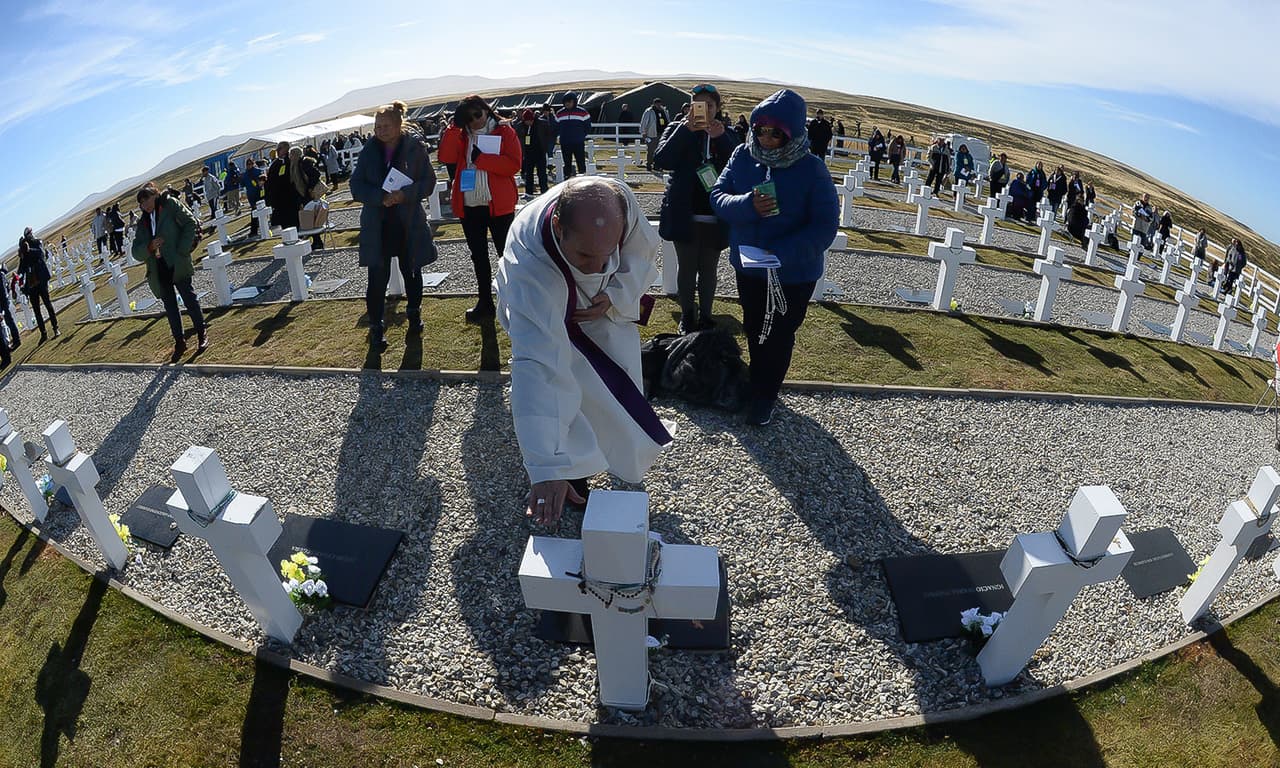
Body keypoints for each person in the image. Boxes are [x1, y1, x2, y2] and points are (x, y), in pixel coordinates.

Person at [495, 176, 671, 526]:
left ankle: (605, 452)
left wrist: (616, 294)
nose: (595, 266)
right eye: (584, 255)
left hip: (600, 310)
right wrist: (544, 464)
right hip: (544, 308)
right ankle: (569, 469)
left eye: (606, 253)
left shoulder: (620, 201)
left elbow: (641, 251)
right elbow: (536, 366)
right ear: (558, 226)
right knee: (562, 383)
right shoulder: (529, 267)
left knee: (610, 384)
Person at [711, 88, 839, 427]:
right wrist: (746, 205)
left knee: (780, 332)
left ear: (793, 133)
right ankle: (758, 383)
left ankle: (766, 396)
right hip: (750, 267)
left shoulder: (812, 170)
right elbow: (718, 195)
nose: (766, 138)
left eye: (776, 132)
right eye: (760, 129)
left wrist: (780, 254)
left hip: (793, 274)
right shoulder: (742, 155)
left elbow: (825, 226)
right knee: (754, 326)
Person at [349, 100, 438, 351]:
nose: (381, 130)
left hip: (408, 222)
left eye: (386, 125)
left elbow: (428, 181)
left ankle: (414, 313)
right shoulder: (368, 151)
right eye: (378, 126)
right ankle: (377, 327)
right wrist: (381, 197)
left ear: (399, 125)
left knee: (412, 270)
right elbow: (356, 186)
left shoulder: (414, 148)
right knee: (377, 278)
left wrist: (404, 194)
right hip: (378, 225)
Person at [654, 82, 741, 334]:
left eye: (710, 105)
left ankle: (706, 316)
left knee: (709, 267)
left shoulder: (727, 132)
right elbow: (661, 160)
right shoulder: (676, 127)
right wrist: (686, 130)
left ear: (717, 108)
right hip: (684, 210)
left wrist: (721, 138)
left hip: (715, 212)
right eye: (698, 105)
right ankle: (687, 315)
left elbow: (739, 163)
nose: (704, 110)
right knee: (687, 267)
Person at [438, 94, 522, 323]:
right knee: (479, 257)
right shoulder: (462, 135)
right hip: (470, 205)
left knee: (506, 255)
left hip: (498, 206)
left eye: (478, 114)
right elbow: (444, 156)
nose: (474, 120)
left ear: (487, 110)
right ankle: (485, 301)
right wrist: (454, 129)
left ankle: (515, 301)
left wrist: (483, 160)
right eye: (468, 117)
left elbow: (513, 165)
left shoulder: (505, 132)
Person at [132, 183, 208, 358]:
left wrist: (182, 250)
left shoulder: (170, 205)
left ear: (155, 195)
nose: (145, 206)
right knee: (171, 307)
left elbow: (190, 223)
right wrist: (149, 247)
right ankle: (180, 342)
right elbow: (136, 251)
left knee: (189, 298)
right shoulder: (143, 222)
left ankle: (201, 332)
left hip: (176, 261)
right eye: (141, 203)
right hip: (158, 269)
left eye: (147, 200)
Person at [17, 230, 58, 342]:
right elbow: (21, 266)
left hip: (40, 278)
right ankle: (43, 334)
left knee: (48, 304)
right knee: (36, 310)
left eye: (29, 234)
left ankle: (55, 328)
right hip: (31, 283)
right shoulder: (24, 249)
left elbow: (41, 253)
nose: (28, 236)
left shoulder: (37, 242)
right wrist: (18, 275)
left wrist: (29, 250)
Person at [288, 146, 325, 248]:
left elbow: (316, 174)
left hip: (308, 195)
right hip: (303, 194)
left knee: (311, 217)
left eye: (291, 154)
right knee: (309, 218)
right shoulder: (295, 165)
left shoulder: (303, 163)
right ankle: (316, 241)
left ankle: (318, 241)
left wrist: (310, 188)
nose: (290, 157)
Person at [515, 108, 552, 197]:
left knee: (542, 173)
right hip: (528, 153)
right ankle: (528, 192)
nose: (528, 123)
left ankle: (544, 190)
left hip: (540, 152)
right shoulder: (520, 126)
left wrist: (546, 148)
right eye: (526, 121)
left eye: (530, 120)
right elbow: (518, 138)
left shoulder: (542, 123)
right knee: (528, 174)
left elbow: (548, 135)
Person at [554, 93, 591, 179]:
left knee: (581, 161)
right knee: (567, 163)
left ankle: (583, 179)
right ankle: (567, 179)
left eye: (570, 101)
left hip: (578, 142)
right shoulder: (559, 113)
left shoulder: (583, 112)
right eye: (566, 102)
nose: (568, 103)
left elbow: (588, 127)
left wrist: (581, 136)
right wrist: (561, 136)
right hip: (565, 142)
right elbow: (556, 127)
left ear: (574, 101)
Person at [265, 141, 299, 232]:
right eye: (278, 149)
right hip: (279, 201)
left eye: (280, 149)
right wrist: (270, 200)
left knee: (295, 223)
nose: (278, 151)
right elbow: (270, 182)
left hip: (292, 198)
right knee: (285, 227)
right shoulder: (275, 165)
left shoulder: (292, 161)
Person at [639, 98, 670, 172]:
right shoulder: (649, 111)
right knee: (651, 150)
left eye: (659, 103)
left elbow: (668, 121)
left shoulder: (664, 111)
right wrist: (643, 132)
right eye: (657, 103)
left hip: (662, 134)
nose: (658, 105)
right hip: (652, 134)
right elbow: (644, 122)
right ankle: (649, 164)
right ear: (654, 104)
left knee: (660, 151)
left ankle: (657, 165)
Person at [243, 159, 264, 235]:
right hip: (251, 194)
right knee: (255, 210)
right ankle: (255, 229)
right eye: (247, 164)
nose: (249, 165)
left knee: (258, 210)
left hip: (258, 193)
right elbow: (243, 184)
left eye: (250, 164)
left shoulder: (257, 171)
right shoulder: (246, 174)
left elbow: (262, 180)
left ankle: (256, 229)